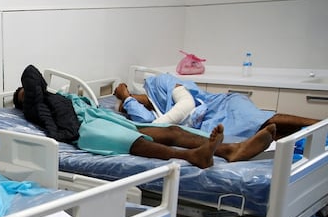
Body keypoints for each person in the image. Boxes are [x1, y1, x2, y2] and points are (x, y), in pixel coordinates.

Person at [14, 65, 276, 169]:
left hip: (97, 116)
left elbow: (36, 80)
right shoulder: (36, 107)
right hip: (86, 131)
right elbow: (31, 74)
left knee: (171, 132)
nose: (31, 92)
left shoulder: (56, 97)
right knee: (136, 140)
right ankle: (191, 156)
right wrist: (26, 95)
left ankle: (230, 149)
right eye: (25, 94)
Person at [113, 72, 320, 140]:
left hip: (221, 106)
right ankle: (314, 142)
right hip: (207, 124)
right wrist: (128, 103)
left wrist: (125, 96)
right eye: (127, 107)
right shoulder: (148, 112)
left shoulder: (159, 83)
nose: (130, 107)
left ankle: (321, 124)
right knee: (264, 133)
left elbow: (187, 104)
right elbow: (150, 124)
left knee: (262, 121)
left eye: (129, 101)